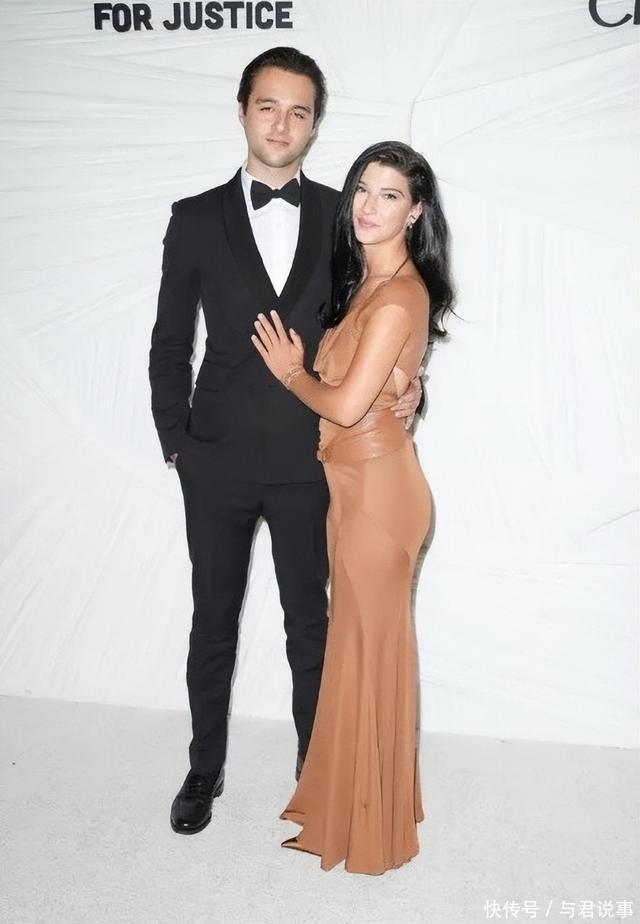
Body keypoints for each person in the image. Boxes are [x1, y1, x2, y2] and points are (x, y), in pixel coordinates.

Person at [148, 49, 421, 836]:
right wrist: (178, 442)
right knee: (213, 623)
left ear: (315, 124)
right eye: (268, 106)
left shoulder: (346, 216)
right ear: (243, 111)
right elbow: (170, 341)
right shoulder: (194, 219)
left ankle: (317, 773)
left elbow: (385, 316)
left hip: (313, 461)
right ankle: (204, 770)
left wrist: (410, 386)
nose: (281, 124)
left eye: (299, 111)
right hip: (217, 461)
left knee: (313, 626)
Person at [252, 140, 454, 874]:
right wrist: (410, 384)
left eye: (390, 195)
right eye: (363, 189)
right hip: (354, 486)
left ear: (415, 211)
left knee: (368, 655)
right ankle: (362, 802)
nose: (369, 206)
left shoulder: (398, 293)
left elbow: (341, 404)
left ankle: (371, 827)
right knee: (358, 652)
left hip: (379, 496)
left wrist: (290, 372)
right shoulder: (369, 281)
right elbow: (380, 385)